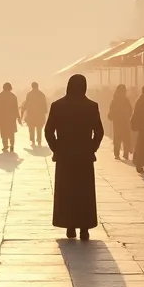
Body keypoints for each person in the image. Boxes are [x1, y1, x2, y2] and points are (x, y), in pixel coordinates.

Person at [44, 74, 105, 240]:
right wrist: (91, 148)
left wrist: (57, 148)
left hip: (65, 156)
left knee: (67, 191)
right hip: (84, 155)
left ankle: (69, 225)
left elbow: (49, 130)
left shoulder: (58, 106)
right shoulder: (91, 106)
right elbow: (99, 131)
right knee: (84, 192)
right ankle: (84, 227)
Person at [108, 85, 133, 160]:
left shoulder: (115, 100)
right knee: (125, 138)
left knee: (117, 138)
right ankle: (125, 154)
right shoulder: (125, 100)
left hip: (117, 122)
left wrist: (112, 116)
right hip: (124, 121)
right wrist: (127, 116)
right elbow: (130, 109)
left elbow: (111, 110)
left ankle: (117, 154)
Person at [22, 82, 49, 147]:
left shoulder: (29, 94)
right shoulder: (41, 94)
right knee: (39, 128)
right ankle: (39, 141)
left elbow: (26, 103)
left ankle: (32, 140)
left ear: (32, 86)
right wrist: (45, 112)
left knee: (31, 128)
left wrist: (24, 109)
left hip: (31, 114)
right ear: (37, 86)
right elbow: (44, 105)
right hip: (40, 115)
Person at [0, 82, 20, 152]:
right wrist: (18, 117)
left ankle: (5, 145)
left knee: (3, 132)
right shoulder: (13, 96)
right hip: (11, 117)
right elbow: (16, 108)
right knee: (11, 132)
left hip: (2, 117)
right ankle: (12, 145)